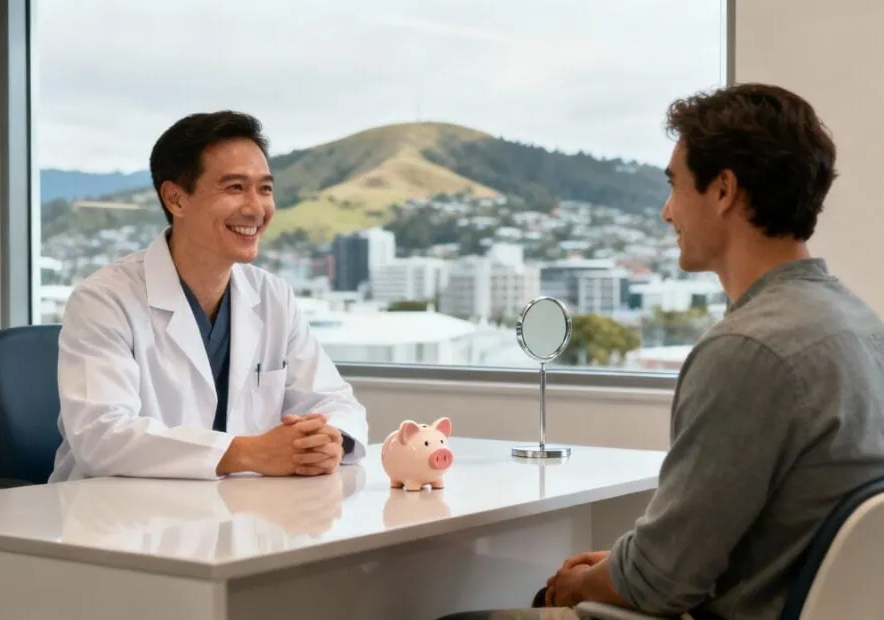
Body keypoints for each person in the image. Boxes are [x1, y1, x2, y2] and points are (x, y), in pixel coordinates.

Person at [439, 83, 884, 620]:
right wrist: (626, 566)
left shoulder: (748, 350)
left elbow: (660, 583)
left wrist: (586, 582)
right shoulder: (860, 326)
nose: (666, 211)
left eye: (675, 185)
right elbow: (711, 547)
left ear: (723, 190)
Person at [50, 111, 368, 482]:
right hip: (119, 517)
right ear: (176, 199)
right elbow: (101, 437)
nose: (256, 208)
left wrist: (330, 441)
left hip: (235, 512)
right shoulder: (104, 300)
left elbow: (334, 401)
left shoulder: (273, 296)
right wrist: (247, 452)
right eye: (235, 188)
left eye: (264, 189)